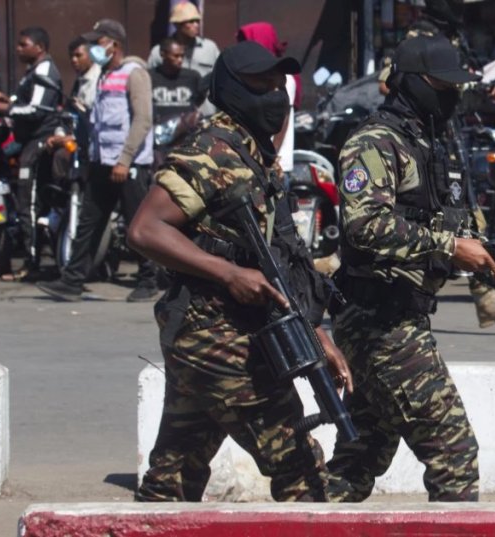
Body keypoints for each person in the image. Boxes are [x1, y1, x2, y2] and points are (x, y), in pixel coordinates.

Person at [130, 41, 352, 502]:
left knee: (172, 478)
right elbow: (146, 229)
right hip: (216, 338)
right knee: (303, 473)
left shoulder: (256, 156)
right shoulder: (211, 151)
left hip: (222, 334)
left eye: (279, 86)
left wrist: (316, 334)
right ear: (231, 89)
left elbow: (279, 261)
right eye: (261, 85)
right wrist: (225, 273)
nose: (275, 96)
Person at [326, 36, 495, 502]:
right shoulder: (374, 142)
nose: (451, 96)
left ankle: (312, 519)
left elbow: (446, 216)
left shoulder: (427, 142)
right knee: (454, 453)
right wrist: (450, 248)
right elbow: (365, 225)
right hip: (378, 321)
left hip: (399, 317)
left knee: (360, 456)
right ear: (411, 84)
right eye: (441, 86)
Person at [376, 8, 495, 328]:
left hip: (446, 134)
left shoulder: (455, 37)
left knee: (461, 203)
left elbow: (460, 78)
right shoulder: (419, 38)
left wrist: (478, 87)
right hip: (420, 130)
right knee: (422, 205)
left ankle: (484, 293)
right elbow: (387, 83)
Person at [36, 19, 157, 302]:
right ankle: (72, 281)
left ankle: (148, 280)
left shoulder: (134, 73)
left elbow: (143, 120)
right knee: (89, 222)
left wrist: (125, 161)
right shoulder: (103, 75)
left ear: (112, 44)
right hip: (102, 164)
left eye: (97, 42)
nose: (92, 48)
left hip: (128, 166)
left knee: (138, 226)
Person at [0, 26, 64, 279]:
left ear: (39, 47)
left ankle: (32, 263)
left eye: (23, 44)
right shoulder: (35, 71)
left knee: (30, 202)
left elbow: (38, 111)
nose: (18, 49)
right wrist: (8, 101)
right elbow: (30, 103)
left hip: (38, 142)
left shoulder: (45, 69)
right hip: (29, 140)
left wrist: (1, 108)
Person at [236, 22, 296, 183]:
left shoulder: (283, 78)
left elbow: (283, 121)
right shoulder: (249, 77)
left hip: (274, 165)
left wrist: (270, 158)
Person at [149, 1, 219, 116]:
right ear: (177, 24)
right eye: (191, 22)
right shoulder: (159, 51)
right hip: (170, 117)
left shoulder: (210, 48)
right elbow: (149, 82)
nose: (196, 25)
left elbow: (219, 79)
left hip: (204, 115)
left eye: (197, 21)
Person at [149, 37, 204, 164]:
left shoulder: (192, 77)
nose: (180, 60)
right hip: (159, 140)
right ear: (163, 54)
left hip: (185, 139)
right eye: (176, 56)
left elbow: (199, 98)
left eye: (182, 56)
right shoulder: (151, 77)